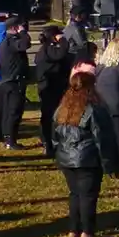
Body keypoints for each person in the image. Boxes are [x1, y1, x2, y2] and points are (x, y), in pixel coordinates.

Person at [52, 72, 119, 237]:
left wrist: (60, 153)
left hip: (66, 158)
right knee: (88, 196)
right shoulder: (94, 109)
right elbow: (103, 139)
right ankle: (87, 232)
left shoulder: (62, 108)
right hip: (87, 159)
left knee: (74, 194)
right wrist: (111, 163)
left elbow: (54, 136)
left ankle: (73, 230)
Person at [34, 25, 75, 158]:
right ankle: (49, 142)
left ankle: (47, 141)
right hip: (50, 88)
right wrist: (62, 40)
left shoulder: (45, 50)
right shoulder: (49, 50)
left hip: (49, 87)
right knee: (51, 116)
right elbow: (61, 52)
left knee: (49, 116)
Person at [94, 38, 119, 164]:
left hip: (102, 105)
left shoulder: (100, 66)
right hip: (118, 106)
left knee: (105, 135)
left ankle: (106, 160)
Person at [0, 17, 32, 150]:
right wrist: (22, 33)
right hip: (14, 81)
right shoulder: (13, 41)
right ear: (14, 28)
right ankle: (11, 140)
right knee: (14, 111)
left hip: (6, 79)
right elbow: (25, 44)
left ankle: (7, 137)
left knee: (7, 111)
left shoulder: (4, 42)